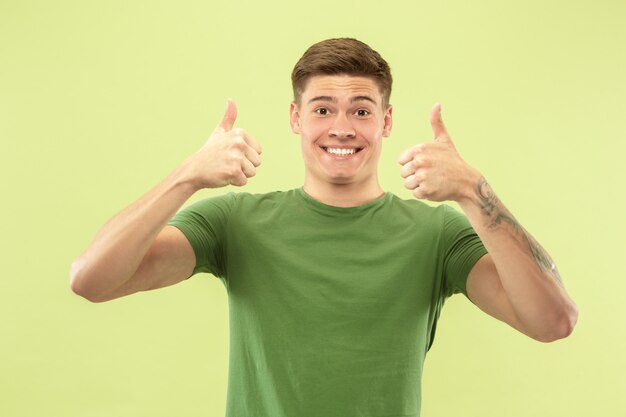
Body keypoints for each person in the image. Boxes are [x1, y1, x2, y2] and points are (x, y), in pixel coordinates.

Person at [70, 38, 578, 417]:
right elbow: (92, 279)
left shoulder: (437, 234)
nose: (341, 127)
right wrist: (187, 176)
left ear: (386, 121)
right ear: (295, 118)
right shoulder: (234, 222)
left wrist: (474, 191)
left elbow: (553, 320)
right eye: (322, 109)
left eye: (361, 110)